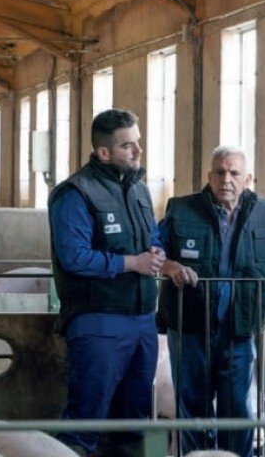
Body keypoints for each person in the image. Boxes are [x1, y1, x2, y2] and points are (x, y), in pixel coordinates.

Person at [47, 108, 166, 457]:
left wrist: (159, 256)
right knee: (87, 418)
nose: (138, 151)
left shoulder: (139, 190)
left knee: (133, 420)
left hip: (142, 319)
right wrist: (133, 263)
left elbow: (153, 237)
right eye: (128, 146)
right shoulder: (75, 193)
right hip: (98, 319)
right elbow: (74, 256)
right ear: (103, 152)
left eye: (138, 143)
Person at [157, 145, 265, 457]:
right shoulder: (181, 209)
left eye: (234, 173)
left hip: (239, 327)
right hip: (190, 324)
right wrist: (171, 268)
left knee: (237, 405)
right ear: (209, 176)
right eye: (220, 172)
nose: (226, 179)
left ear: (248, 178)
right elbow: (155, 253)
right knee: (192, 402)